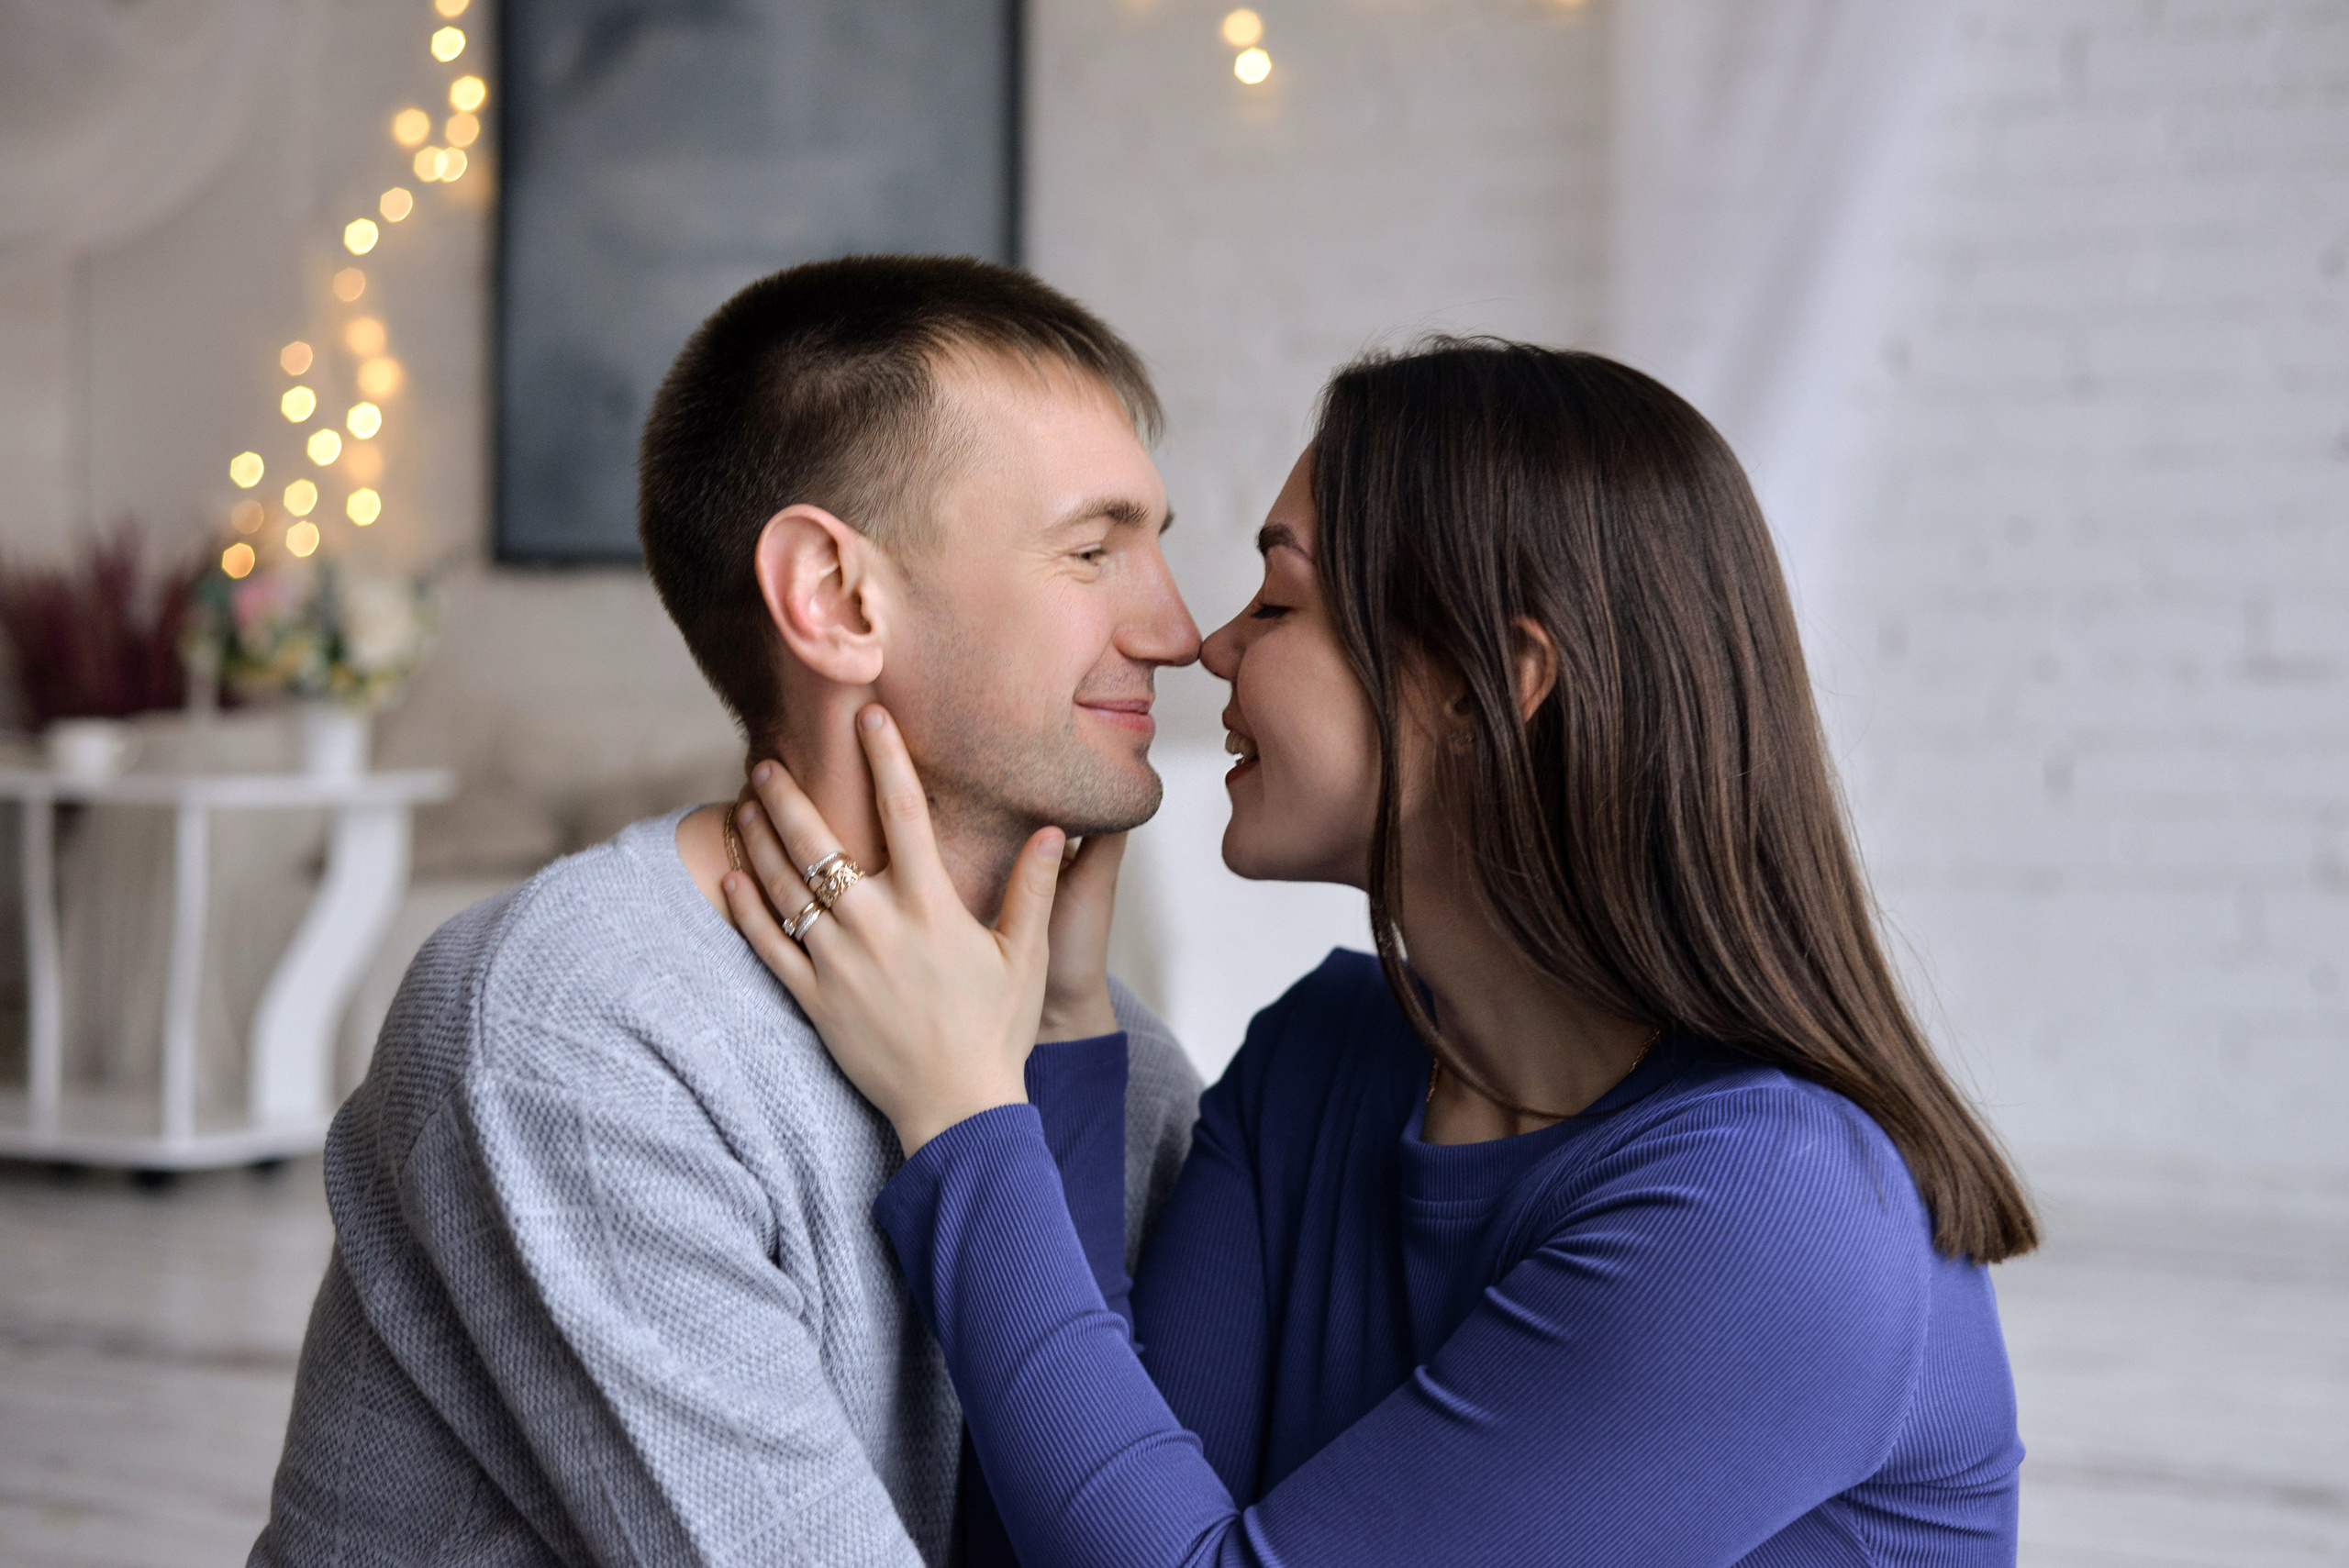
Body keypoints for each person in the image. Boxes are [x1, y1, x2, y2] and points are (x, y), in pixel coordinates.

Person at [722, 339, 2040, 1566]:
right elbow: (1063, 1523)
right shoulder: (1329, 1056)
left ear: (1488, 682)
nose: (1207, 643)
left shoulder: (1780, 1213)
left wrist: (960, 1104)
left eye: (1282, 602)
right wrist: (1060, 1026)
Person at [250, 256, 1207, 1568]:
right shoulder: (581, 1025)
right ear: (835, 596)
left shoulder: (1123, 1067)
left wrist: (1057, 1066)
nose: (1180, 626)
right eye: (1095, 549)